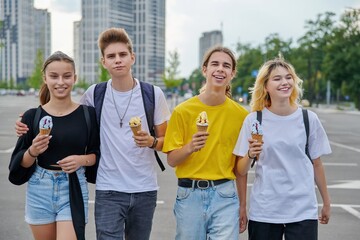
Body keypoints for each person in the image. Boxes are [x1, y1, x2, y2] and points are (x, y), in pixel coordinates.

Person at [16, 28, 171, 240]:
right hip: (108, 188)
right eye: (111, 56)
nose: (118, 60)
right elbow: (64, 114)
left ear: (132, 57)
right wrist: (28, 121)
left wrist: (152, 141)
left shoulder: (153, 94)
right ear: (103, 62)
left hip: (145, 188)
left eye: (123, 55)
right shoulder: (95, 94)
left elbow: (167, 143)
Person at [233, 57, 331, 240]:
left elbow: (317, 164)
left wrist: (326, 201)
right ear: (265, 86)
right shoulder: (254, 120)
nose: (285, 82)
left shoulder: (308, 119)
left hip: (303, 209)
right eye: (277, 79)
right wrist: (250, 154)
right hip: (265, 211)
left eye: (288, 77)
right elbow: (240, 170)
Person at [9, 51, 100, 240]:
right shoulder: (31, 117)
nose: (61, 82)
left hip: (73, 186)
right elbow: (19, 165)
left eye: (67, 76)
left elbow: (96, 155)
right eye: (54, 76)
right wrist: (33, 151)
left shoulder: (88, 115)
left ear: (75, 78)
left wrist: (81, 160)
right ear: (45, 78)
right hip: (39, 187)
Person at [162, 46, 249, 239]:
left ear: (232, 73)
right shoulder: (183, 111)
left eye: (226, 66)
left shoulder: (242, 116)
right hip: (189, 195)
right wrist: (190, 147)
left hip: (225, 195)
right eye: (215, 64)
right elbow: (172, 160)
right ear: (205, 69)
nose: (220, 69)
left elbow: (240, 169)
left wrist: (243, 205)